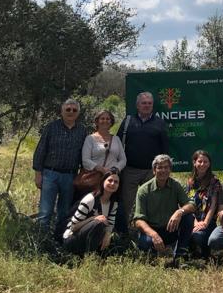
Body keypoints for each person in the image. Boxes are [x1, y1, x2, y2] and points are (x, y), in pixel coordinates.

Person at [33, 99, 87, 237]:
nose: (71, 112)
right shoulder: (51, 127)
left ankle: (59, 241)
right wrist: (38, 174)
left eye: (74, 110)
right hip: (50, 174)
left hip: (70, 176)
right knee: (45, 212)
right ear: (62, 111)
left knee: (64, 212)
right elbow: (40, 150)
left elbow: (83, 154)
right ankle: (41, 241)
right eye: (68, 109)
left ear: (78, 113)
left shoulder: (82, 130)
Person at [118, 91, 170, 233]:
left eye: (149, 103)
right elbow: (118, 143)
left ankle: (150, 232)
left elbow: (165, 147)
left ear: (153, 105)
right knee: (127, 203)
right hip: (130, 170)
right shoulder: (128, 121)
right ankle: (124, 232)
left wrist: (163, 169)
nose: (147, 106)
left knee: (152, 203)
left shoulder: (159, 122)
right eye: (144, 103)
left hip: (151, 172)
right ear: (137, 105)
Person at [133, 154, 190, 264]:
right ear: (154, 170)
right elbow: (138, 220)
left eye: (166, 167)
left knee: (188, 217)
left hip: (170, 228)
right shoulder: (144, 190)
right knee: (146, 245)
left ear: (170, 170)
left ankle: (180, 256)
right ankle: (153, 255)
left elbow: (190, 205)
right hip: (152, 230)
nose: (163, 170)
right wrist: (153, 234)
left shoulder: (176, 185)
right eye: (160, 167)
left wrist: (179, 211)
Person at [63, 172, 120, 256]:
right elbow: (73, 227)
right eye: (110, 180)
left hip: (92, 238)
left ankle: (95, 255)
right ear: (103, 182)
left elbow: (110, 225)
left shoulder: (113, 204)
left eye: (116, 182)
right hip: (72, 239)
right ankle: (89, 256)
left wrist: (107, 235)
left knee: (114, 236)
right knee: (99, 223)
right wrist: (93, 218)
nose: (112, 183)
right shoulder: (90, 199)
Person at [179, 149, 221, 260]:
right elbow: (186, 204)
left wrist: (205, 223)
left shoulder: (214, 181)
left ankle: (205, 253)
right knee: (187, 233)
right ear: (194, 163)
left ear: (209, 163)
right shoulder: (189, 182)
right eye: (200, 161)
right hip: (192, 219)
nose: (202, 164)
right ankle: (187, 253)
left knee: (198, 236)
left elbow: (213, 206)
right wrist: (195, 222)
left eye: (205, 162)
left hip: (208, 221)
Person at [78, 109, 127, 190]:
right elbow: (85, 160)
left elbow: (123, 159)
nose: (105, 121)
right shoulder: (90, 139)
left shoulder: (116, 139)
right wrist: (101, 169)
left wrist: (115, 169)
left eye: (108, 119)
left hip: (111, 180)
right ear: (97, 121)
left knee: (109, 202)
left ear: (111, 122)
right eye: (102, 118)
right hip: (94, 178)